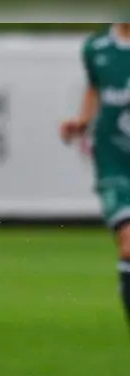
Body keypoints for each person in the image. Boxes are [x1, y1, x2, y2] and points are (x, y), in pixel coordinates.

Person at [61, 22, 130, 330]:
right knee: (128, 243)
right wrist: (82, 121)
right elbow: (94, 89)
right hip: (114, 160)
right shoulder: (97, 48)